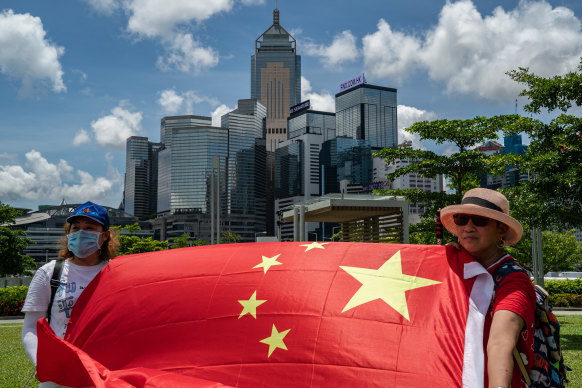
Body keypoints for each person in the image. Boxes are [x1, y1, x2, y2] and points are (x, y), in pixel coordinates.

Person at [440, 188, 536, 388]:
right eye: (461, 219)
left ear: (501, 229)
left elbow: (500, 343)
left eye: (480, 220)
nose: (468, 227)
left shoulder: (514, 280)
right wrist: (444, 261)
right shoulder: (453, 266)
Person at [21, 201, 119, 388]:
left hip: (104, 375)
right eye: (76, 228)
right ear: (68, 233)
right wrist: (42, 364)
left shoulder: (116, 272)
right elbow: (31, 328)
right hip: (59, 377)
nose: (81, 233)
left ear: (105, 235)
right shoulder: (49, 273)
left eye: (89, 228)